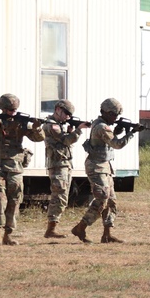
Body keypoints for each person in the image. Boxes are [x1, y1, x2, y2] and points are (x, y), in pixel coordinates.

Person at [0, 94, 45, 245]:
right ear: (3, 109)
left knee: (15, 198)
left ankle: (8, 233)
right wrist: (10, 122)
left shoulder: (21, 123)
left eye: (15, 110)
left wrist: (36, 128)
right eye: (10, 110)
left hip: (15, 166)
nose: (12, 113)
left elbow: (39, 138)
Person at [71, 98, 135, 244]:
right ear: (104, 112)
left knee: (111, 201)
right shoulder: (101, 127)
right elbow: (117, 144)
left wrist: (117, 131)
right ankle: (80, 227)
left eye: (117, 115)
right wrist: (131, 133)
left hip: (104, 166)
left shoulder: (103, 125)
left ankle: (107, 235)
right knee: (102, 199)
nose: (115, 118)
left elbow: (109, 142)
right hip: (96, 167)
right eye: (113, 114)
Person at [42, 99, 89, 239]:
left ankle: (52, 228)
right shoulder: (52, 125)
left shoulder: (59, 125)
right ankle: (51, 229)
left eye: (69, 114)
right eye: (66, 113)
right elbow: (66, 140)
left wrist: (70, 131)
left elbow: (66, 140)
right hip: (58, 165)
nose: (68, 117)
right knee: (59, 196)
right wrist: (78, 130)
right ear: (57, 109)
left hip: (64, 164)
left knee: (62, 196)